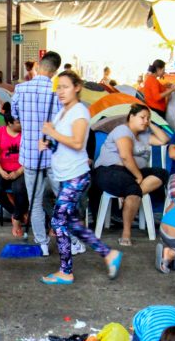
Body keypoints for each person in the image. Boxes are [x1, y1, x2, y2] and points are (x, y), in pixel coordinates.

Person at [38, 71, 123, 284]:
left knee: (58, 223)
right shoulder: (62, 113)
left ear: (77, 87)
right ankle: (109, 254)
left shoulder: (80, 112)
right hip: (65, 175)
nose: (61, 91)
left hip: (76, 176)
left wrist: (52, 132)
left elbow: (77, 143)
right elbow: (61, 143)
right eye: (59, 87)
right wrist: (48, 144)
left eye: (66, 86)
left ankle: (66, 271)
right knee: (72, 224)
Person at [11, 51, 84, 257]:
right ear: (55, 71)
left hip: (30, 154)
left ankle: (42, 244)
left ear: (38, 66)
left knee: (34, 202)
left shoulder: (21, 89)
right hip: (54, 155)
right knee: (63, 199)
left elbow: (15, 116)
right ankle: (73, 241)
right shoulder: (58, 93)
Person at [92, 103, 169, 246]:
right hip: (110, 171)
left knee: (162, 173)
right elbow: (126, 156)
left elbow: (164, 140)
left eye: (148, 118)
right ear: (131, 117)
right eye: (142, 117)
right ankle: (126, 233)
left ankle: (128, 194)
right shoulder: (123, 130)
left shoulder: (145, 136)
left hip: (131, 173)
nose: (145, 120)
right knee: (132, 187)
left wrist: (150, 123)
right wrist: (139, 177)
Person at [0, 102, 28, 237]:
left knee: (19, 189)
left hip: (22, 169)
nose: (21, 124)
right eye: (18, 122)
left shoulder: (27, 133)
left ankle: (16, 220)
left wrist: (18, 172)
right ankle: (16, 213)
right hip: (3, 168)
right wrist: (1, 171)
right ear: (9, 123)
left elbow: (31, 158)